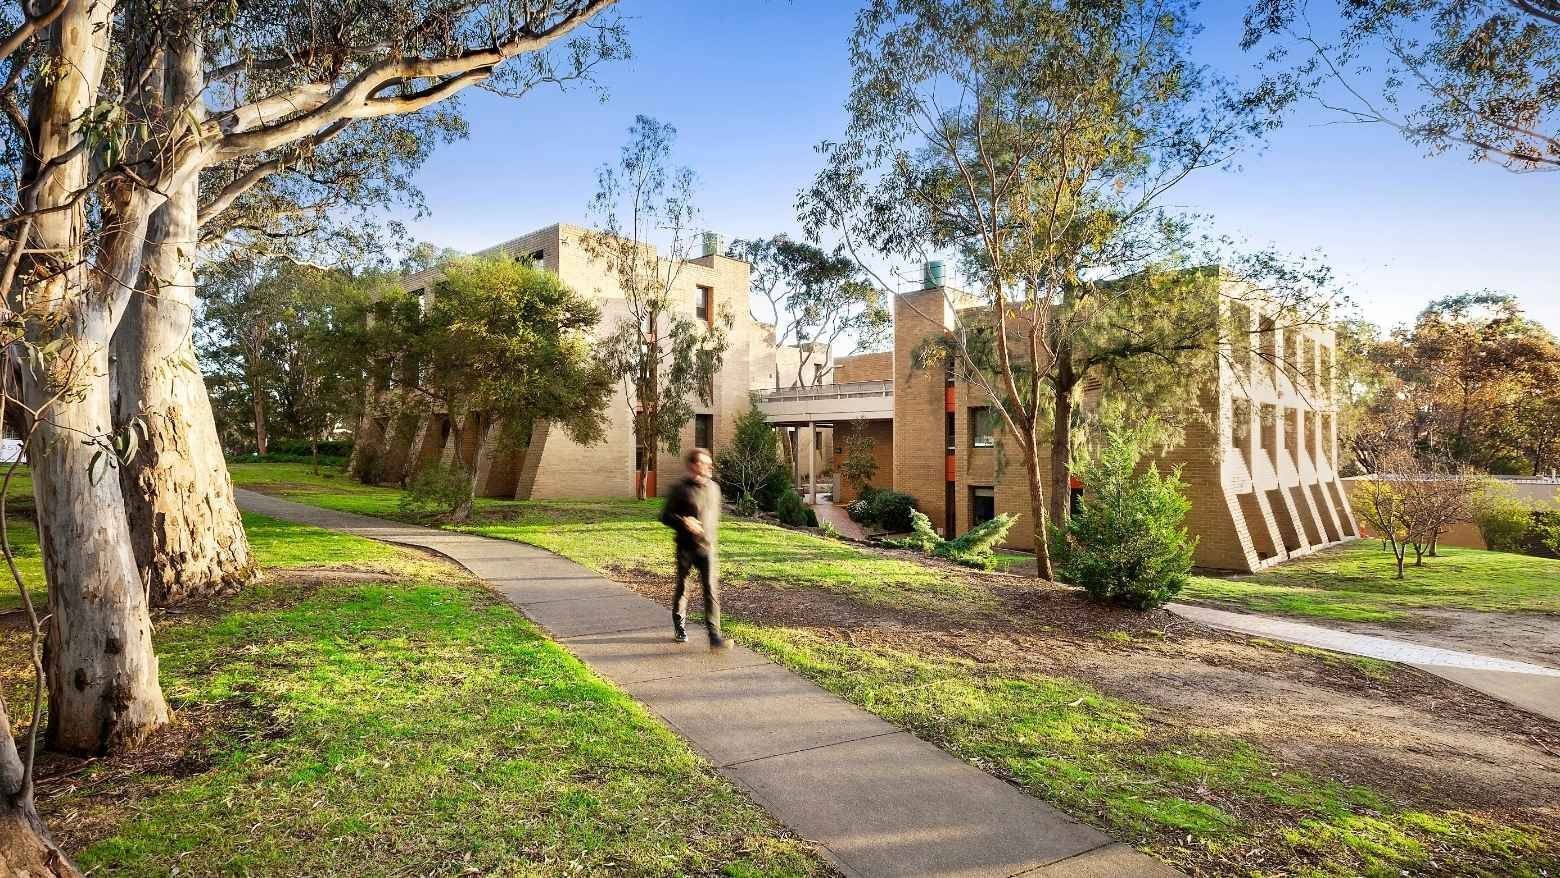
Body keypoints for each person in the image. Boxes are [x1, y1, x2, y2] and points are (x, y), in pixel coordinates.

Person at [658, 446, 728, 649]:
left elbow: (714, 517)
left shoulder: (714, 488)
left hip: (707, 548)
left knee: (711, 590)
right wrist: (683, 522)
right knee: (683, 587)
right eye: (704, 463)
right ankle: (679, 625)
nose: (709, 466)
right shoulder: (680, 489)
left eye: (709, 463)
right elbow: (664, 516)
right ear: (693, 465)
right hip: (686, 548)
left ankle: (714, 636)